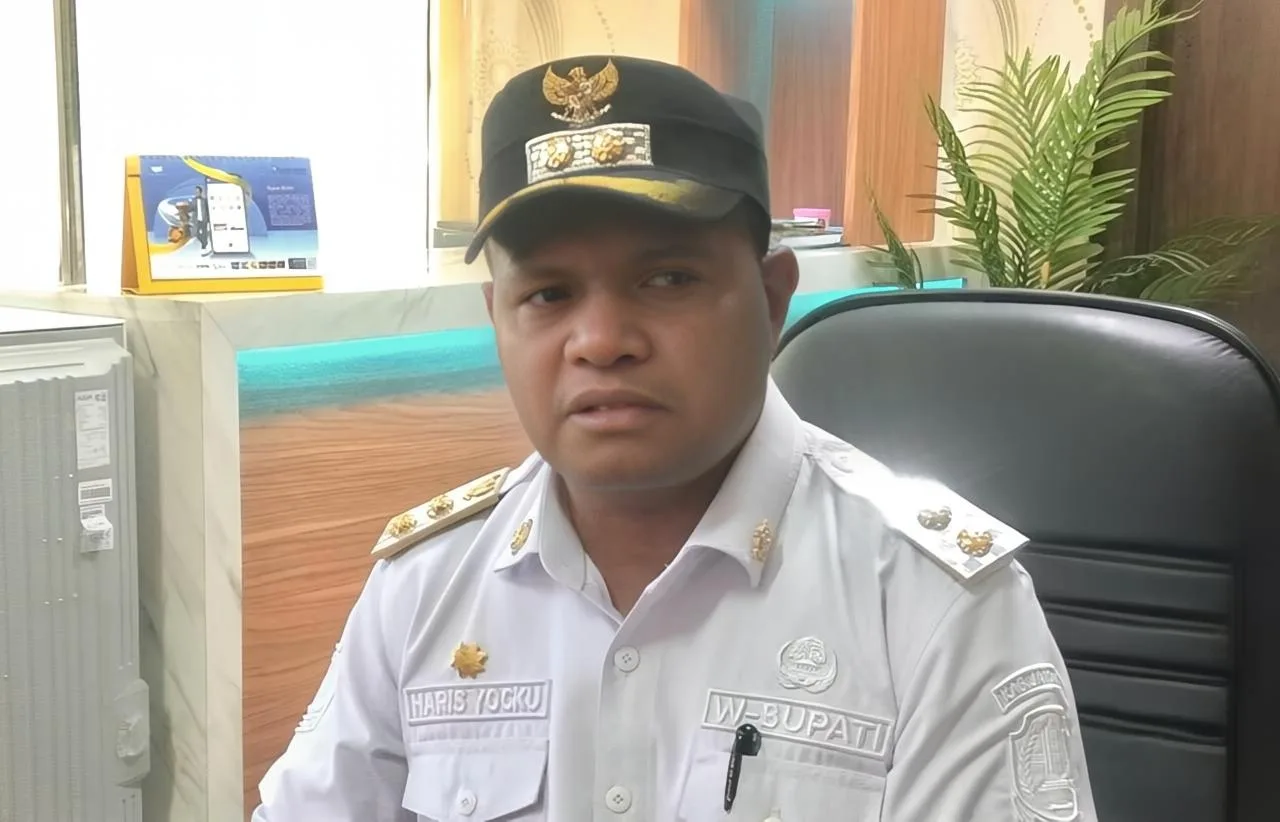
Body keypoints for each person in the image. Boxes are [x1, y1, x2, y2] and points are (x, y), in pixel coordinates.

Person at [252, 55, 1097, 821]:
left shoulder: (931, 602)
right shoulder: (425, 587)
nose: (600, 341)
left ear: (772, 301)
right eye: (548, 295)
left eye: (666, 279)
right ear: (497, 320)